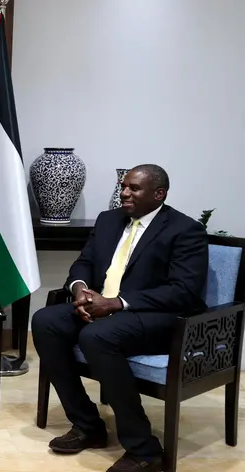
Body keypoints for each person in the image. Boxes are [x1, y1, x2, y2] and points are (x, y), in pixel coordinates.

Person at [31, 164, 208, 472]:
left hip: (156, 317)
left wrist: (117, 303)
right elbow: (84, 263)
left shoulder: (184, 230)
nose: (124, 193)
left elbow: (184, 292)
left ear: (159, 194)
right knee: (46, 321)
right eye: (124, 186)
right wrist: (81, 290)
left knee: (96, 336)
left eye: (133, 188)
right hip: (104, 307)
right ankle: (88, 425)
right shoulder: (109, 220)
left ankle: (145, 450)